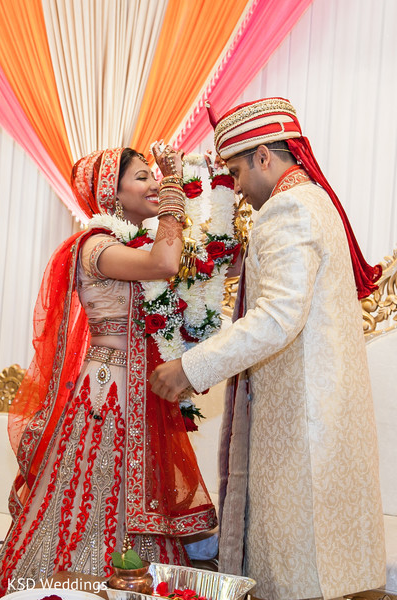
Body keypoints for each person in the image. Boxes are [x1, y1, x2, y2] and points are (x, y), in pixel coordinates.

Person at [150, 98, 386, 600]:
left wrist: (190, 368)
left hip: (303, 429)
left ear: (263, 157)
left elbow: (278, 317)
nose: (234, 186)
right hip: (315, 420)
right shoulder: (314, 203)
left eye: (235, 171)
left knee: (297, 579)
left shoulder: (289, 210)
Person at [0, 144, 217, 596]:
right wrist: (176, 186)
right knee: (98, 494)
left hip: (139, 391)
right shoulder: (97, 245)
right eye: (143, 177)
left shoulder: (132, 244)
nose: (154, 183)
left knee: (136, 493)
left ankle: (137, 583)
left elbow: (181, 281)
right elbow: (166, 261)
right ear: (110, 193)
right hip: (107, 393)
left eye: (155, 177)